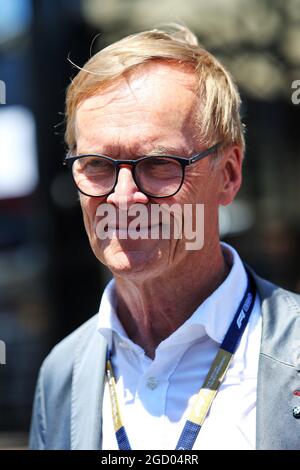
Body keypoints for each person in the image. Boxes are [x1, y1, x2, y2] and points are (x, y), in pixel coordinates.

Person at [29, 24, 300, 450]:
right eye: (97, 165)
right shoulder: (62, 373)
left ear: (228, 175)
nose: (122, 199)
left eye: (157, 164)